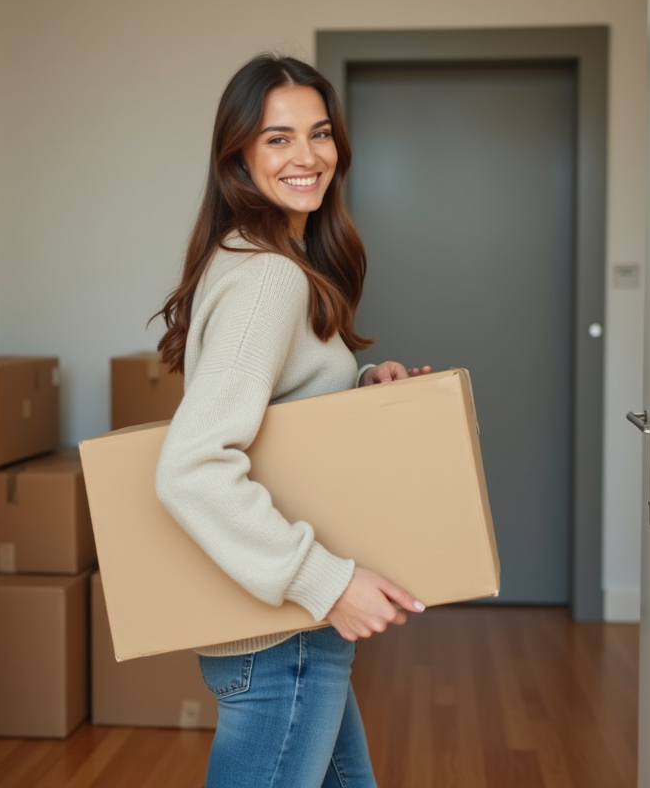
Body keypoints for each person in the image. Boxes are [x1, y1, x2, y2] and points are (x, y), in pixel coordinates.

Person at [153, 53, 429, 788]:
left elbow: (274, 412)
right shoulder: (270, 277)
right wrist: (326, 583)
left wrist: (361, 384)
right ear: (238, 156)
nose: (308, 156)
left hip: (290, 631)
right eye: (278, 138)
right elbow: (191, 467)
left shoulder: (260, 257)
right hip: (285, 637)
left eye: (320, 132)